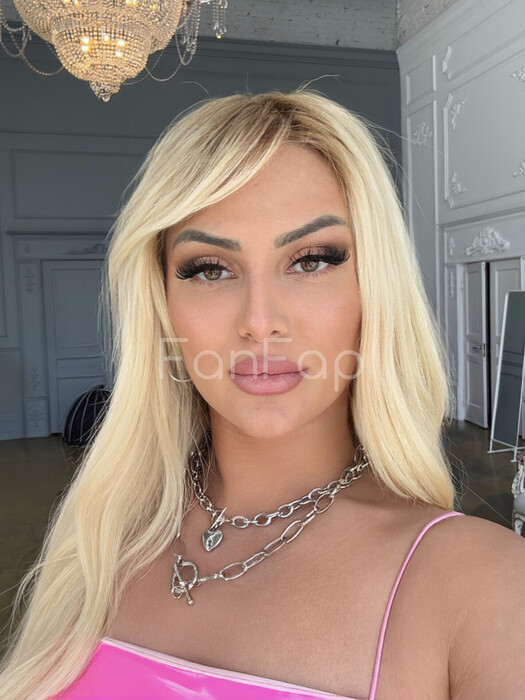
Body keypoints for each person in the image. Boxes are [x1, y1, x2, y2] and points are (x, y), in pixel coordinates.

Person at [1, 90, 525, 700]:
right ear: (162, 302)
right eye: (210, 268)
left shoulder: (481, 584)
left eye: (311, 261)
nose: (259, 322)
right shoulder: (100, 537)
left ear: (374, 287)